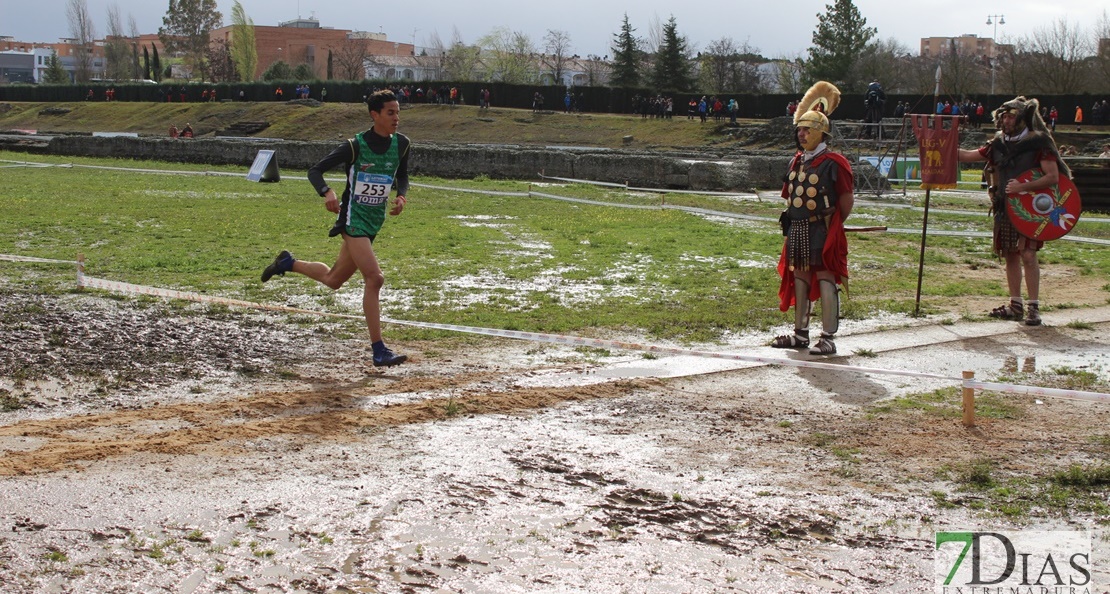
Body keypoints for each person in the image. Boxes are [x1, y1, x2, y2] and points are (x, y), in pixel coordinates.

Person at [261, 89, 410, 367]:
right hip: (353, 221)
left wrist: (401, 195)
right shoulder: (355, 145)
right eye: (390, 112)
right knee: (375, 278)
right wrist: (327, 192)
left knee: (333, 280)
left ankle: (287, 263)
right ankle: (379, 350)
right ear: (374, 115)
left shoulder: (401, 144)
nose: (396, 118)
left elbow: (402, 175)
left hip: (374, 222)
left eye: (398, 112)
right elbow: (314, 171)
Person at [957, 96, 1071, 326]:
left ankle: (1034, 307)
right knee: (1010, 254)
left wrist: (1023, 186)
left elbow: (1052, 177)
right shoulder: (998, 144)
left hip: (1031, 208)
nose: (1006, 121)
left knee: (1028, 255)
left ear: (1021, 119)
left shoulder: (1039, 144)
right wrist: (941, 144)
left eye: (1011, 116)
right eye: (1004, 116)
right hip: (1005, 206)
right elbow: (968, 155)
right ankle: (1015, 304)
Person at [772, 81, 854, 356]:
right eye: (800, 130)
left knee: (825, 278)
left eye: (807, 130)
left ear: (821, 133)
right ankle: (801, 334)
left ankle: (828, 336)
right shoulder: (797, 161)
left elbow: (845, 200)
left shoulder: (834, 162)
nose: (802, 134)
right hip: (797, 228)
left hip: (822, 228)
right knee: (801, 278)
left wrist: (831, 226)